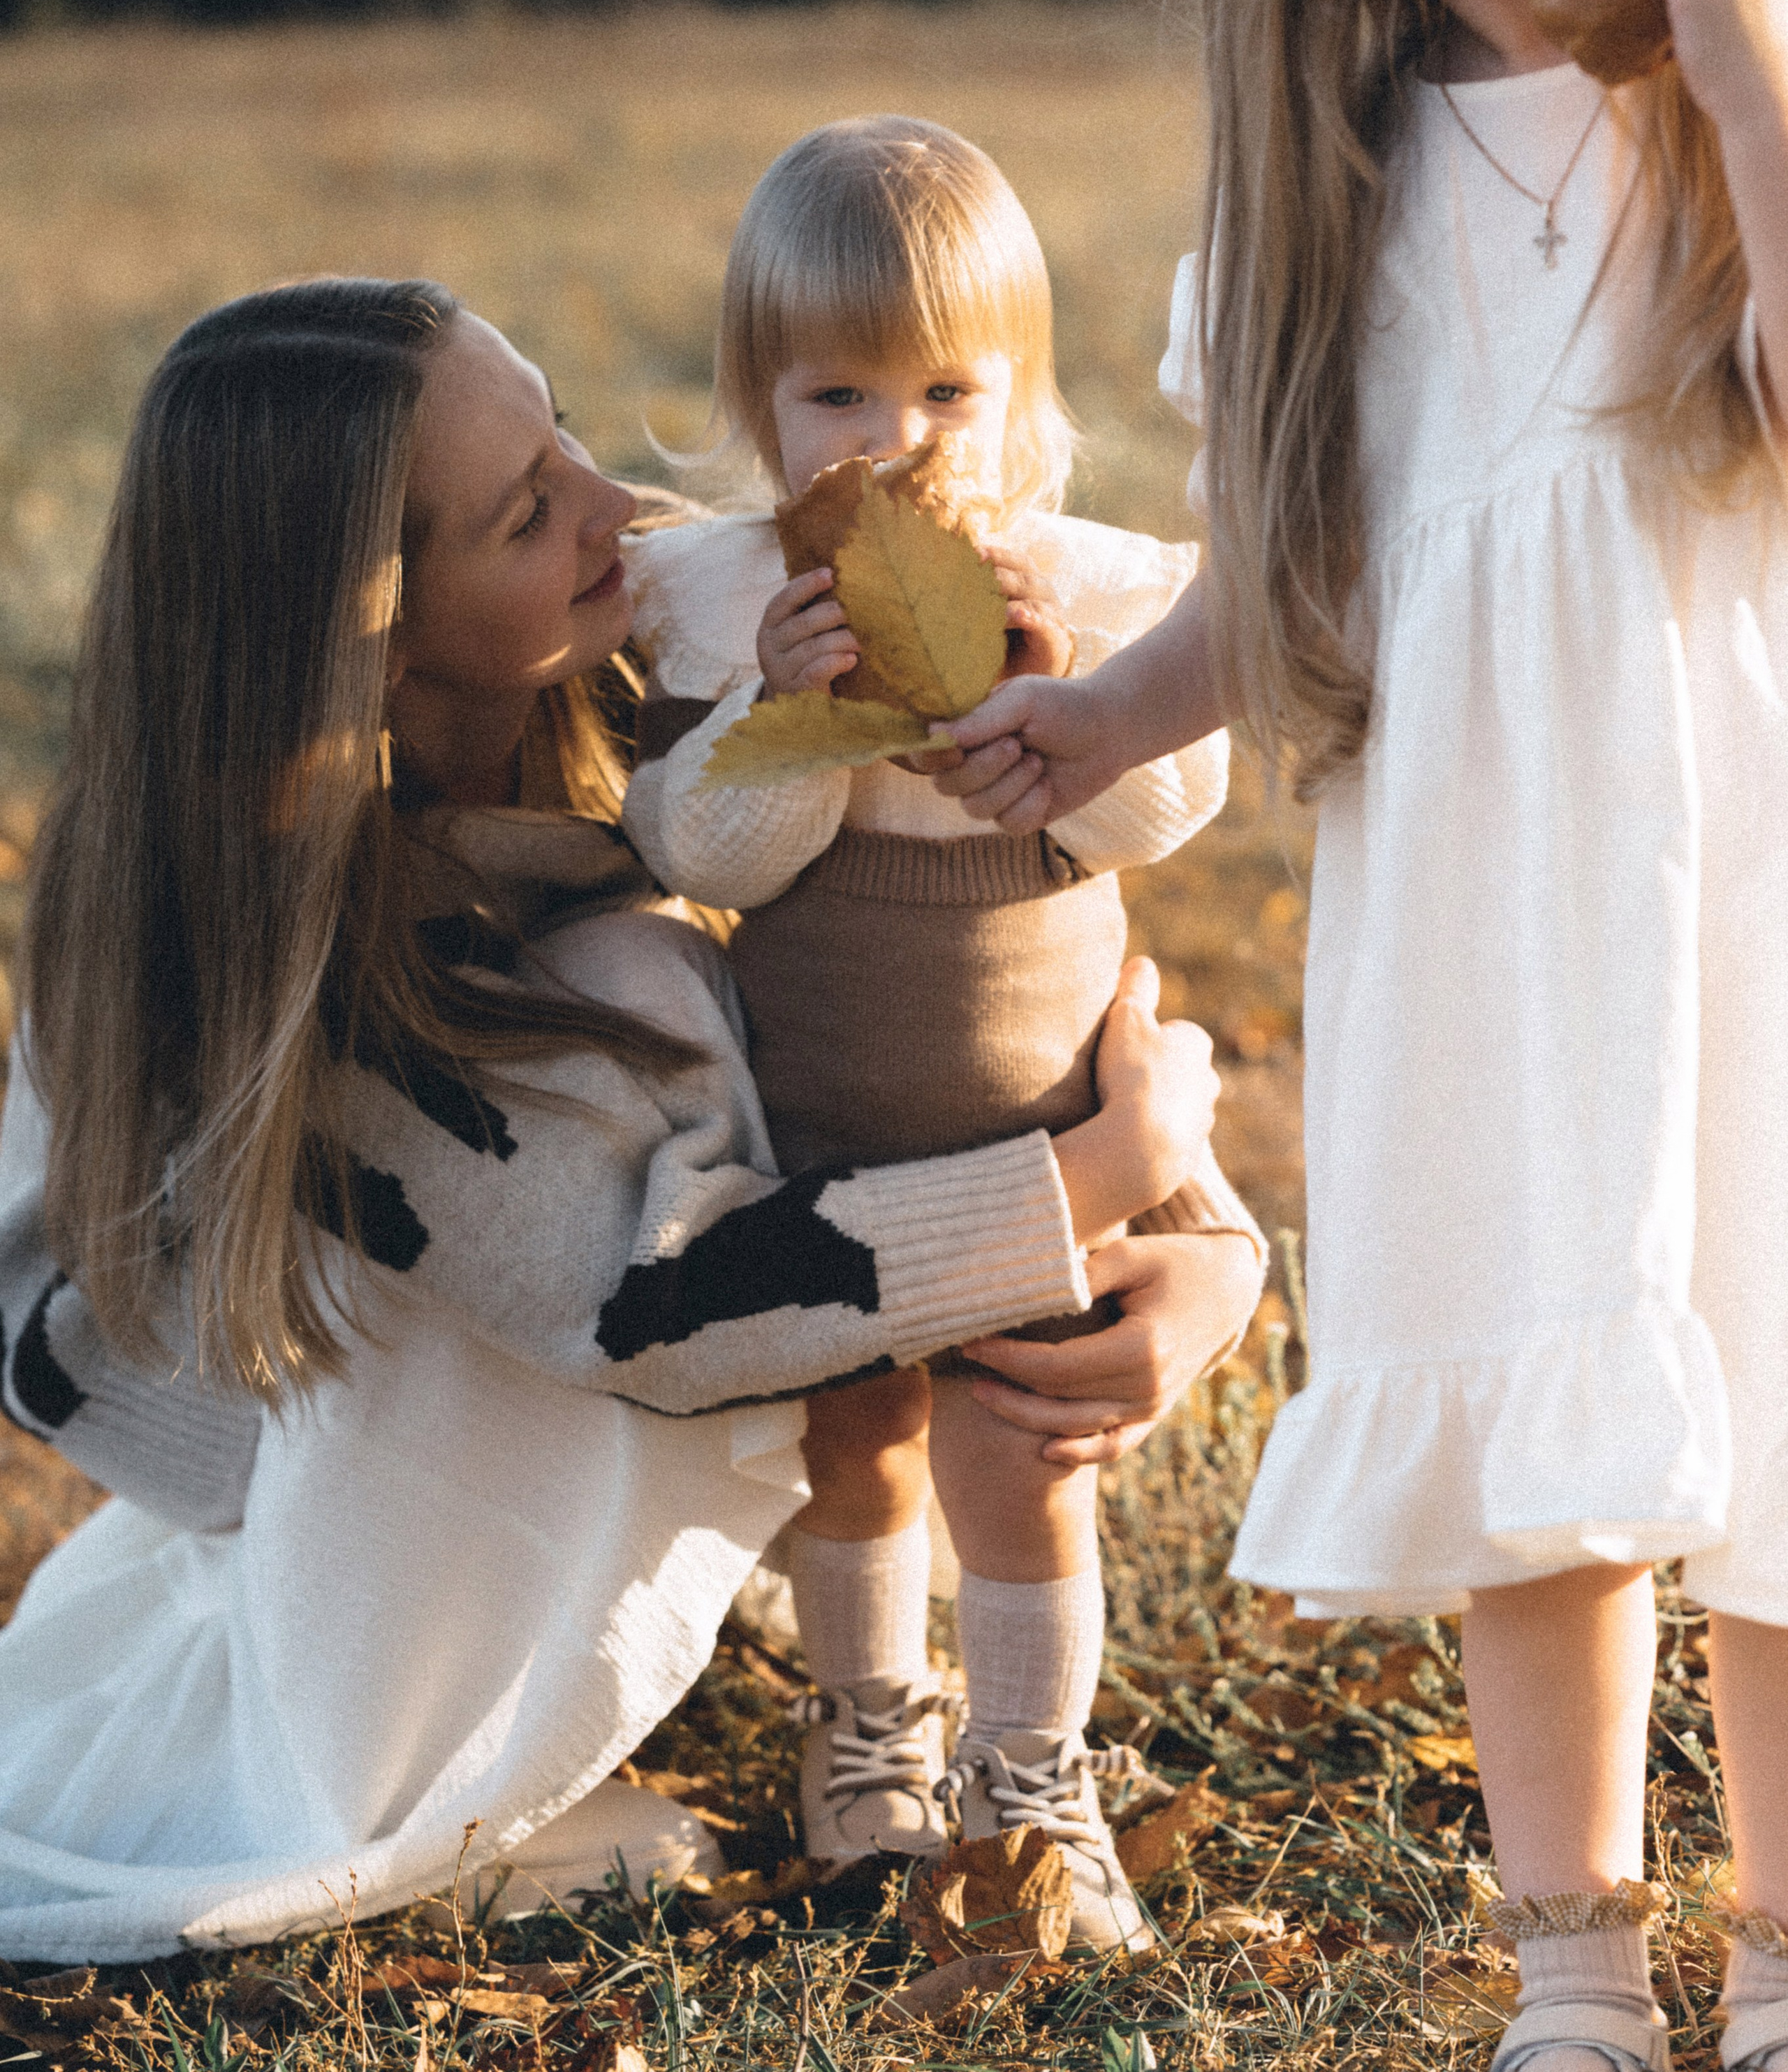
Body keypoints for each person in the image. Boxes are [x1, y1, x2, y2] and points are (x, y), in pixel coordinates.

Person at [937, 0, 1788, 2072]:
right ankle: (1573, 1952)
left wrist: (1753, 66)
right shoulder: (1333, 214)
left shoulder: (1735, 119)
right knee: (1547, 1398)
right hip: (1488, 912)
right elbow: (1302, 571)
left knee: (1768, 1389)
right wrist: (1106, 710)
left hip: (1747, 868)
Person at [0, 277, 1256, 1964]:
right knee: (628, 1017)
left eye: (564, 435)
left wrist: (1197, 1246)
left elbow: (978, 946)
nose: (623, 512)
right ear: (368, 630)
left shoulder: (656, 624)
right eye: (531, 511)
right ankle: (430, 1725)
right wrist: (1097, 1174)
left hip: (592, 1354)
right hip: (420, 1447)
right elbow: (645, 1306)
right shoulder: (301, 959)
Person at [618, 117, 1252, 1946]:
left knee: (1024, 1451)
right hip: (826, 1124)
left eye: (947, 393)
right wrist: (778, 706)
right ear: (763, 408)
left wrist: (1084, 709)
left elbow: (1168, 809)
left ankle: (1032, 1772)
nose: (895, 445)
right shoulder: (732, 600)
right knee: (858, 1435)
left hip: (1037, 1123)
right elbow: (698, 850)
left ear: (1024, 400)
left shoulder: (1099, 587)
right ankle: (870, 1731)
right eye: (837, 395)